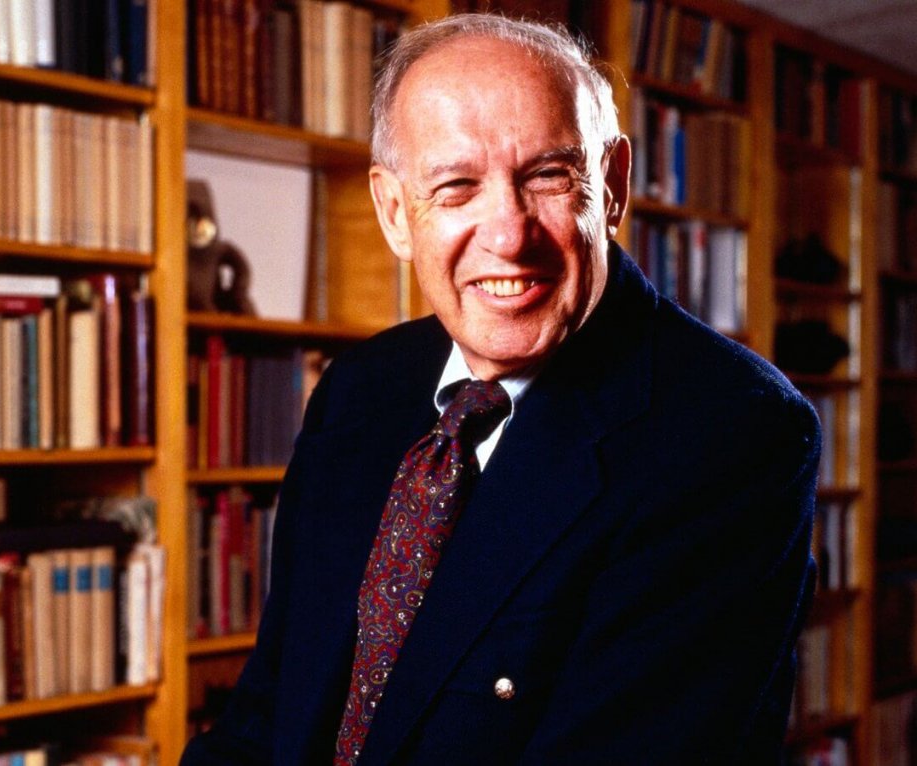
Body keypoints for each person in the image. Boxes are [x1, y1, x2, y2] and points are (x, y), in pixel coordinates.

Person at [180, 13, 819, 765]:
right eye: (456, 187)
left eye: (548, 176)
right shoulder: (358, 388)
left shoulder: (732, 431)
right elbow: (267, 717)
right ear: (395, 213)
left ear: (612, 186)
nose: (509, 235)